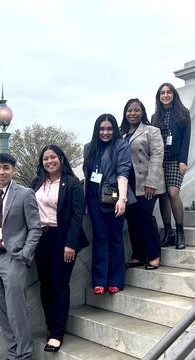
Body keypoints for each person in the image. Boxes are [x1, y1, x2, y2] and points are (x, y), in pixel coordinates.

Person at [0, 153, 42, 360]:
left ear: (14, 170)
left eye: (6, 168)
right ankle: (13, 352)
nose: (1, 172)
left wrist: (24, 254)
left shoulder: (24, 193)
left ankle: (24, 355)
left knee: (16, 311)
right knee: (0, 310)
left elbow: (35, 228)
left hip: (14, 258)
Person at [30, 144, 88, 352]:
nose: (49, 161)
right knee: (45, 285)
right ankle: (49, 326)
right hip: (40, 239)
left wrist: (70, 243)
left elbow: (76, 216)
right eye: (45, 158)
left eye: (53, 157)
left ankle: (57, 333)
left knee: (59, 285)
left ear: (61, 159)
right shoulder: (38, 182)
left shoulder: (72, 183)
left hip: (62, 239)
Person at [83, 114, 136, 295]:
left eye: (109, 129)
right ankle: (99, 280)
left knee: (115, 237)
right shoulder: (89, 148)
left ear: (114, 129)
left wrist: (122, 198)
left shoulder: (121, 145)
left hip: (114, 196)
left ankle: (115, 280)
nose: (105, 132)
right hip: (93, 197)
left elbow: (123, 171)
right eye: (102, 129)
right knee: (100, 237)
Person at [120, 98, 165, 270]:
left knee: (145, 217)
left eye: (136, 110)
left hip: (145, 182)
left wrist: (151, 182)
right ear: (125, 113)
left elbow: (156, 157)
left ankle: (153, 255)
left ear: (142, 112)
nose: (133, 113)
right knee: (131, 220)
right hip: (127, 184)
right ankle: (138, 255)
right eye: (129, 110)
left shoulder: (152, 131)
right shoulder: (121, 133)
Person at [151, 83, 191, 250]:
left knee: (173, 192)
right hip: (159, 161)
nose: (165, 95)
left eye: (168, 92)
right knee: (162, 196)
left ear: (174, 94)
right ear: (159, 97)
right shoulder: (155, 117)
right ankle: (168, 232)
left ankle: (180, 231)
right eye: (162, 93)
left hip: (175, 159)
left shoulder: (183, 113)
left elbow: (186, 138)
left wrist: (183, 160)